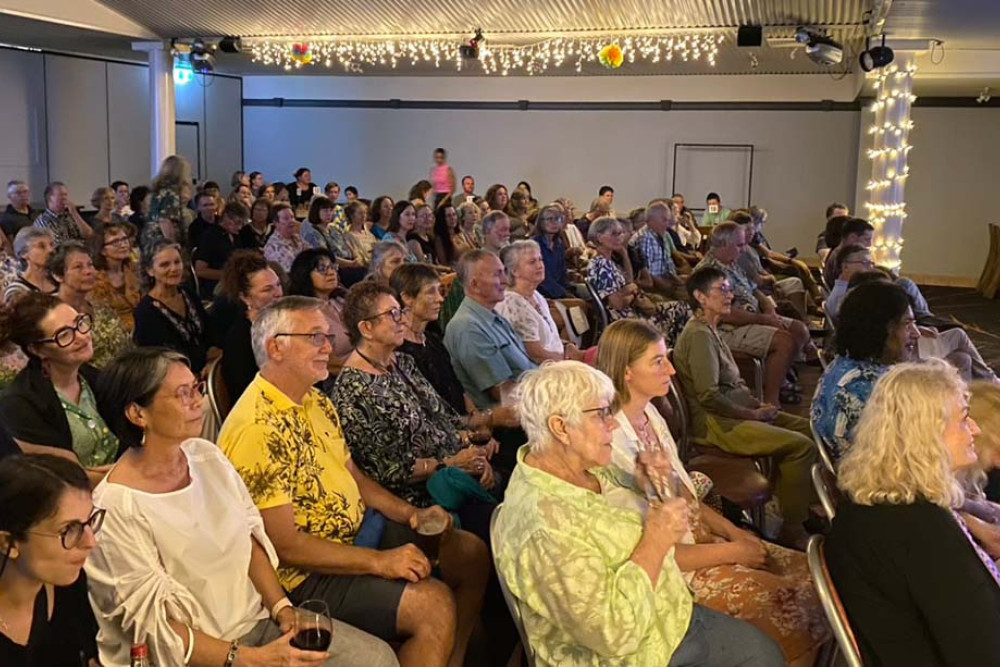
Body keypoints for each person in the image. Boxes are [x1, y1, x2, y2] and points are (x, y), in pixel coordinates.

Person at [219, 297, 489, 667]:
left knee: (469, 553)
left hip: (359, 531)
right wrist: (379, 562)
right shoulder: (256, 428)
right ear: (275, 347)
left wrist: (412, 513)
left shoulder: (314, 399)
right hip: (304, 576)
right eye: (315, 337)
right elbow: (285, 546)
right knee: (432, 604)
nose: (328, 348)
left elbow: (355, 478)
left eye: (327, 337)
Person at [86, 347, 396, 667]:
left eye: (196, 387)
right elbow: (154, 631)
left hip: (256, 623)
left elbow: (248, 539)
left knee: (377, 658)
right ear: (138, 413)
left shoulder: (205, 456)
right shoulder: (118, 508)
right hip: (194, 654)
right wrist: (250, 658)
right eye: (182, 394)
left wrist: (282, 609)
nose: (197, 401)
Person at [494, 360, 784, 666]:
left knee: (766, 649)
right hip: (635, 654)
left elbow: (634, 524)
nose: (614, 424)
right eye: (601, 414)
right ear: (561, 427)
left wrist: (650, 488)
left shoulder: (583, 472)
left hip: (666, 612)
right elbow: (613, 633)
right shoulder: (542, 529)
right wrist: (656, 541)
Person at [598, 319, 829, 664]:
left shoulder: (649, 415)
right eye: (658, 361)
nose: (672, 370)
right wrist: (734, 552)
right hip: (672, 577)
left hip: (697, 541)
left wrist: (736, 534)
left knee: (819, 577)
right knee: (801, 604)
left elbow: (684, 497)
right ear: (626, 372)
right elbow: (654, 552)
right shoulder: (608, 445)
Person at [825, 360, 1000, 665]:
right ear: (927, 435)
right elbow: (983, 651)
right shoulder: (923, 532)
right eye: (964, 418)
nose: (975, 429)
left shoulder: (875, 500)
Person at [331, 281, 499, 525]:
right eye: (393, 313)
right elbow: (387, 471)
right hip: (421, 496)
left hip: (454, 467)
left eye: (401, 311)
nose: (402, 319)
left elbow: (442, 417)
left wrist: (471, 448)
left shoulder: (403, 362)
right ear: (366, 328)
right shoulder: (354, 391)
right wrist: (449, 463)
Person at [673, 266, 817, 548]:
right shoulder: (699, 335)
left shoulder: (712, 329)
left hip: (737, 412)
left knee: (808, 428)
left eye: (729, 289)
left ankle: (793, 505)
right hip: (718, 425)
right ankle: (792, 526)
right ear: (700, 297)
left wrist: (758, 405)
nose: (730, 295)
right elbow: (709, 396)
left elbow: (732, 386)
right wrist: (753, 414)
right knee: (802, 446)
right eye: (722, 290)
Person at [0, 293, 118, 475]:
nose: (81, 336)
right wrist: (132, 473)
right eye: (64, 335)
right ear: (36, 350)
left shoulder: (95, 378)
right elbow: (69, 477)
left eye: (79, 323)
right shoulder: (20, 404)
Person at [695, 222, 811, 406]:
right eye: (739, 245)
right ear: (724, 244)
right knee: (785, 341)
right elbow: (726, 314)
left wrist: (770, 311)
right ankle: (772, 401)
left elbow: (754, 290)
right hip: (728, 328)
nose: (743, 249)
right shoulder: (708, 271)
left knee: (799, 330)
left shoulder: (731, 264)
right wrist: (763, 319)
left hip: (752, 317)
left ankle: (779, 381)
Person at [0, 454, 101, 666]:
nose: (90, 542)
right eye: (68, 530)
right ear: (7, 543)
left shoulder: (70, 584)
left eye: (89, 522)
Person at [811, 280, 920, 462]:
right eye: (907, 324)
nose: (917, 333)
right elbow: (907, 456)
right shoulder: (871, 389)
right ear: (880, 329)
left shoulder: (845, 364)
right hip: (874, 481)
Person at [444, 249, 537, 410]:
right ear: (475, 284)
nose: (505, 281)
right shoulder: (468, 328)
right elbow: (502, 393)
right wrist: (552, 392)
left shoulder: (492, 316)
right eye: (497, 275)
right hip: (517, 419)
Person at [587, 216, 691, 348]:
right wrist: (632, 293)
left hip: (632, 311)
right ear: (600, 237)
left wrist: (624, 255)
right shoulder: (600, 264)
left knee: (682, 307)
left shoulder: (608, 261)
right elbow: (617, 303)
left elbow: (629, 282)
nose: (620, 237)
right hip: (624, 319)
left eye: (621, 233)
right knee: (682, 310)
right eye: (614, 234)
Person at [133, 241, 215, 374]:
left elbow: (210, 331)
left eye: (177, 262)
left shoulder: (188, 293)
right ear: (150, 271)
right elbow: (160, 360)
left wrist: (213, 352)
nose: (174, 269)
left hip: (210, 368)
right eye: (165, 265)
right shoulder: (145, 312)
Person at [496, 241, 584, 363]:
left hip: (557, 360)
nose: (540, 265)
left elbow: (548, 340)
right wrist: (569, 361)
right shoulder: (513, 303)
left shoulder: (536, 295)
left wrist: (567, 346)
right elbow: (535, 354)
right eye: (532, 262)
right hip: (543, 372)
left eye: (540, 259)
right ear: (514, 270)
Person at [49, 242, 131, 369]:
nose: (88, 271)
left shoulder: (101, 307)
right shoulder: (50, 315)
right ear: (58, 276)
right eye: (78, 267)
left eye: (90, 265)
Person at [217, 250, 284, 403]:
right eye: (268, 289)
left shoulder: (286, 324)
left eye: (278, 285)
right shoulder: (239, 339)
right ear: (245, 297)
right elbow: (246, 394)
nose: (278, 293)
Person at [287, 248, 352, 376]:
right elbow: (330, 363)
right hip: (337, 378)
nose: (331, 272)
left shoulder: (340, 300)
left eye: (333, 267)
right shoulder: (305, 314)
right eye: (322, 269)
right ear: (305, 275)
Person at [87, 223, 142, 335]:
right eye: (115, 242)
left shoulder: (136, 270)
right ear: (102, 250)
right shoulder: (93, 280)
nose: (123, 245)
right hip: (112, 334)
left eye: (124, 239)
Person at [631, 201, 686, 300]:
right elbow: (650, 275)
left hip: (666, 282)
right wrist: (674, 290)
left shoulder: (661, 234)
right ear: (651, 220)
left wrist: (680, 282)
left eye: (668, 220)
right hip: (654, 290)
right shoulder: (645, 237)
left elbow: (668, 267)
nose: (667, 224)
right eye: (664, 220)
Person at [194, 201, 245, 300]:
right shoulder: (210, 236)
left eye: (242, 223)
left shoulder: (235, 235)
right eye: (237, 223)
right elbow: (200, 271)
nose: (240, 227)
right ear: (226, 217)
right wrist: (229, 275)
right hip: (216, 286)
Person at [143, 155, 192, 252]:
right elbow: (165, 221)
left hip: (151, 239)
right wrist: (173, 245)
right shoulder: (171, 193)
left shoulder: (158, 192)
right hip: (162, 243)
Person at [302, 196, 360, 270]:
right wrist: (350, 264)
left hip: (351, 262)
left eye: (331, 210)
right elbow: (325, 256)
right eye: (325, 210)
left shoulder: (334, 228)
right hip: (335, 267)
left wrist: (356, 257)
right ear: (316, 212)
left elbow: (347, 244)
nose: (329, 213)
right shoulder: (313, 233)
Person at [4, 228, 56, 304]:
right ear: (24, 254)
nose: (50, 250)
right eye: (41, 246)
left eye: (51, 245)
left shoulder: (58, 280)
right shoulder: (17, 290)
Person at [532, 204, 574, 300]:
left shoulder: (559, 244)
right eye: (550, 219)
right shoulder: (534, 245)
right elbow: (542, 279)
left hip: (560, 291)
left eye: (557, 219)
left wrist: (568, 291)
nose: (554, 223)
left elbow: (562, 273)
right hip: (541, 293)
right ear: (541, 222)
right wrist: (563, 294)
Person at [263, 202, 308, 273]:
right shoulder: (275, 247)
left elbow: (312, 256)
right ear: (276, 223)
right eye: (286, 218)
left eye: (292, 217)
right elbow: (291, 273)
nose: (292, 221)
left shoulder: (296, 238)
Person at [344, 201, 376, 269]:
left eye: (365, 213)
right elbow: (358, 258)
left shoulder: (369, 234)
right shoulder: (349, 236)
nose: (364, 216)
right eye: (360, 213)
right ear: (352, 216)